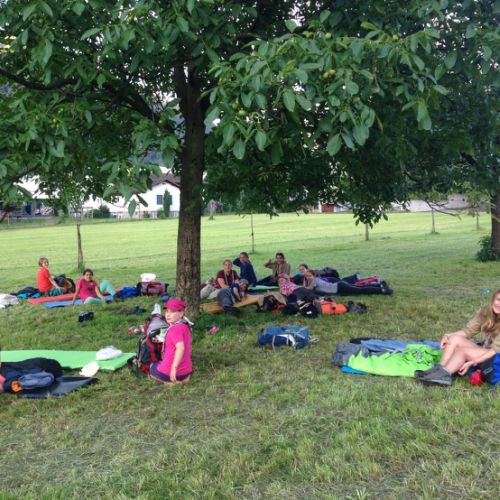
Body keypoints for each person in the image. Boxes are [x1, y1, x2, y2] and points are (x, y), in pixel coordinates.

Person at [415, 289, 500, 386]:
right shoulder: (486, 313)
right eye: (498, 300)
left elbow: (495, 350)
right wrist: (448, 336)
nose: (499, 304)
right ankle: (439, 370)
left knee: (463, 351)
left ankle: (444, 376)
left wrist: (473, 362)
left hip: (496, 356)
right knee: (454, 339)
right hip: (487, 350)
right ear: (493, 299)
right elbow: (468, 331)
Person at [149, 298, 192, 384]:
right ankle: (185, 378)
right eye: (167, 311)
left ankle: (170, 383)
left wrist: (173, 369)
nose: (168, 315)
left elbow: (181, 348)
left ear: (181, 313)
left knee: (152, 366)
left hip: (172, 373)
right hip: (186, 371)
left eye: (172, 312)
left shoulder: (174, 329)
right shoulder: (185, 326)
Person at [303, 269, 393, 296]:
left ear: (314, 275)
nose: (308, 277)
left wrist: (301, 287)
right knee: (359, 288)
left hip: (339, 287)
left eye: (310, 276)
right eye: (307, 276)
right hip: (339, 286)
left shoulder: (314, 281)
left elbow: (310, 289)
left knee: (359, 290)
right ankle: (379, 285)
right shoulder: (316, 280)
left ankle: (381, 290)